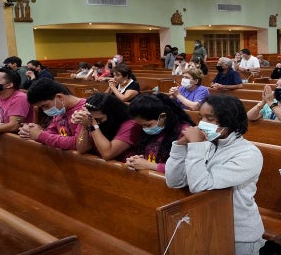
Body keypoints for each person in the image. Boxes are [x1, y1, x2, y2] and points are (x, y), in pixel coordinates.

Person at [165, 94, 264, 254]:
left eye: (209, 119)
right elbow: (174, 181)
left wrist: (195, 146)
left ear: (229, 121)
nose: (202, 124)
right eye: (201, 118)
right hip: (207, 224)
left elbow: (199, 186)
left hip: (237, 233)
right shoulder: (207, 144)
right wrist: (180, 146)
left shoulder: (248, 154)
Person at [126, 93, 195, 173]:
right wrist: (135, 161)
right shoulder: (153, 131)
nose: (144, 129)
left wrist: (151, 166)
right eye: (141, 125)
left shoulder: (185, 132)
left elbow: (185, 171)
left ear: (162, 117)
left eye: (147, 125)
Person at [71, 93, 141, 161]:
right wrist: (85, 126)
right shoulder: (90, 121)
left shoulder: (131, 125)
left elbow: (107, 154)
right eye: (92, 118)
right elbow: (82, 149)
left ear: (112, 115)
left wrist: (93, 124)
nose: (96, 122)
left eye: (99, 119)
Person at [19, 78, 86, 150]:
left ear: (59, 97)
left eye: (45, 106)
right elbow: (51, 131)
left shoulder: (85, 110)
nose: (44, 111)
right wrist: (33, 131)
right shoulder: (60, 110)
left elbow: (78, 143)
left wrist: (41, 135)